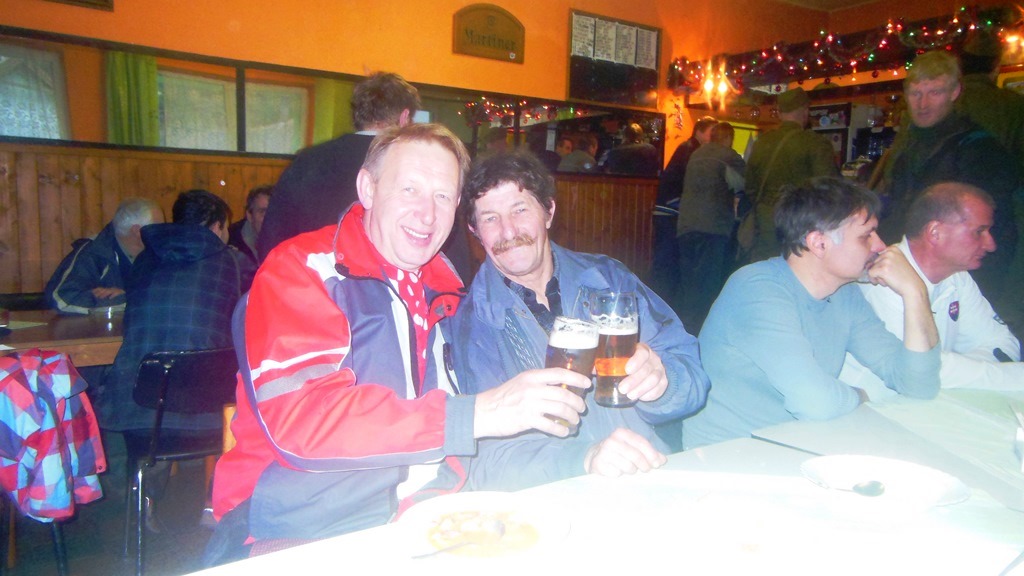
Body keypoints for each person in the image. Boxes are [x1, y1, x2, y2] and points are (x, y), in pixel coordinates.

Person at [208, 124, 592, 559]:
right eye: (410, 189)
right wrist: (473, 415)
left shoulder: (448, 289)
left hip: (427, 513)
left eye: (443, 196)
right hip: (298, 522)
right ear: (368, 188)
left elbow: (492, 428)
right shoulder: (302, 270)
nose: (427, 214)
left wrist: (580, 458)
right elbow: (305, 420)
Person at [449, 152, 709, 482]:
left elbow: (693, 375)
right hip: (558, 496)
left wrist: (664, 384)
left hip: (647, 474)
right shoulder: (472, 324)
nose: (508, 230)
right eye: (490, 218)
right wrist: (583, 459)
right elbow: (487, 462)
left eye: (520, 209)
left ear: (548, 211)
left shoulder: (610, 280)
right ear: (474, 230)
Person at [683, 178, 940, 449]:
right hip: (729, 455)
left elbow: (918, 384)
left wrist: (916, 293)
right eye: (866, 236)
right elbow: (815, 402)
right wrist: (860, 396)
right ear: (819, 243)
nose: (880, 246)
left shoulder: (845, 294)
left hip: (798, 444)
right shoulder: (757, 289)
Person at [840, 182, 1023, 394]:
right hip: (872, 405)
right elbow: (919, 373)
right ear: (935, 233)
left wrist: (954, 368)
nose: (991, 244)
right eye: (979, 232)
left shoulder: (957, 276)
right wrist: (1010, 376)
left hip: (926, 401)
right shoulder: (881, 281)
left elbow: (1002, 345)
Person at [95, 189, 253, 432]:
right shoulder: (233, 262)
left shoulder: (144, 259)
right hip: (207, 412)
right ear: (217, 227)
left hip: (134, 406)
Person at [877, 50, 1018, 304]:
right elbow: (900, 206)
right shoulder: (908, 144)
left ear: (954, 93)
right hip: (915, 266)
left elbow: (993, 229)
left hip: (963, 277)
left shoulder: (980, 148)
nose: (923, 104)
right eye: (916, 93)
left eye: (935, 92)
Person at [743, 88, 837, 263]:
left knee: (767, 267)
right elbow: (828, 188)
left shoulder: (762, 142)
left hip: (767, 220)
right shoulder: (815, 143)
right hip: (801, 222)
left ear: (779, 113)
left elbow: (750, 186)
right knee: (800, 268)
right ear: (805, 111)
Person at [676, 121, 745, 330]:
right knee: (709, 283)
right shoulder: (729, 156)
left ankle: (686, 327)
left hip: (686, 225)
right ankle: (705, 330)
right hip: (713, 226)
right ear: (729, 138)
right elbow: (743, 184)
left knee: (690, 281)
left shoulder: (695, 155)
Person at [45, 198, 163, 314]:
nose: (163, 231)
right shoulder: (94, 253)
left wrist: (129, 297)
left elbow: (169, 295)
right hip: (99, 326)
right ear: (137, 231)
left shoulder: (162, 253)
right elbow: (62, 299)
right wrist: (126, 300)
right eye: (158, 227)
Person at [650, 116, 716, 307]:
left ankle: (659, 303)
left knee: (666, 261)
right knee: (667, 261)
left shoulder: (688, 148)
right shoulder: (692, 151)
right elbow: (689, 184)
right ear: (700, 131)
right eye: (711, 132)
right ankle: (660, 304)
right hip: (671, 211)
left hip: (667, 209)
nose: (713, 137)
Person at [227, 185, 272, 264]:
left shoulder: (289, 237)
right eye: (263, 212)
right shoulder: (231, 242)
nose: (269, 218)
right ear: (249, 215)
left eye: (274, 212)